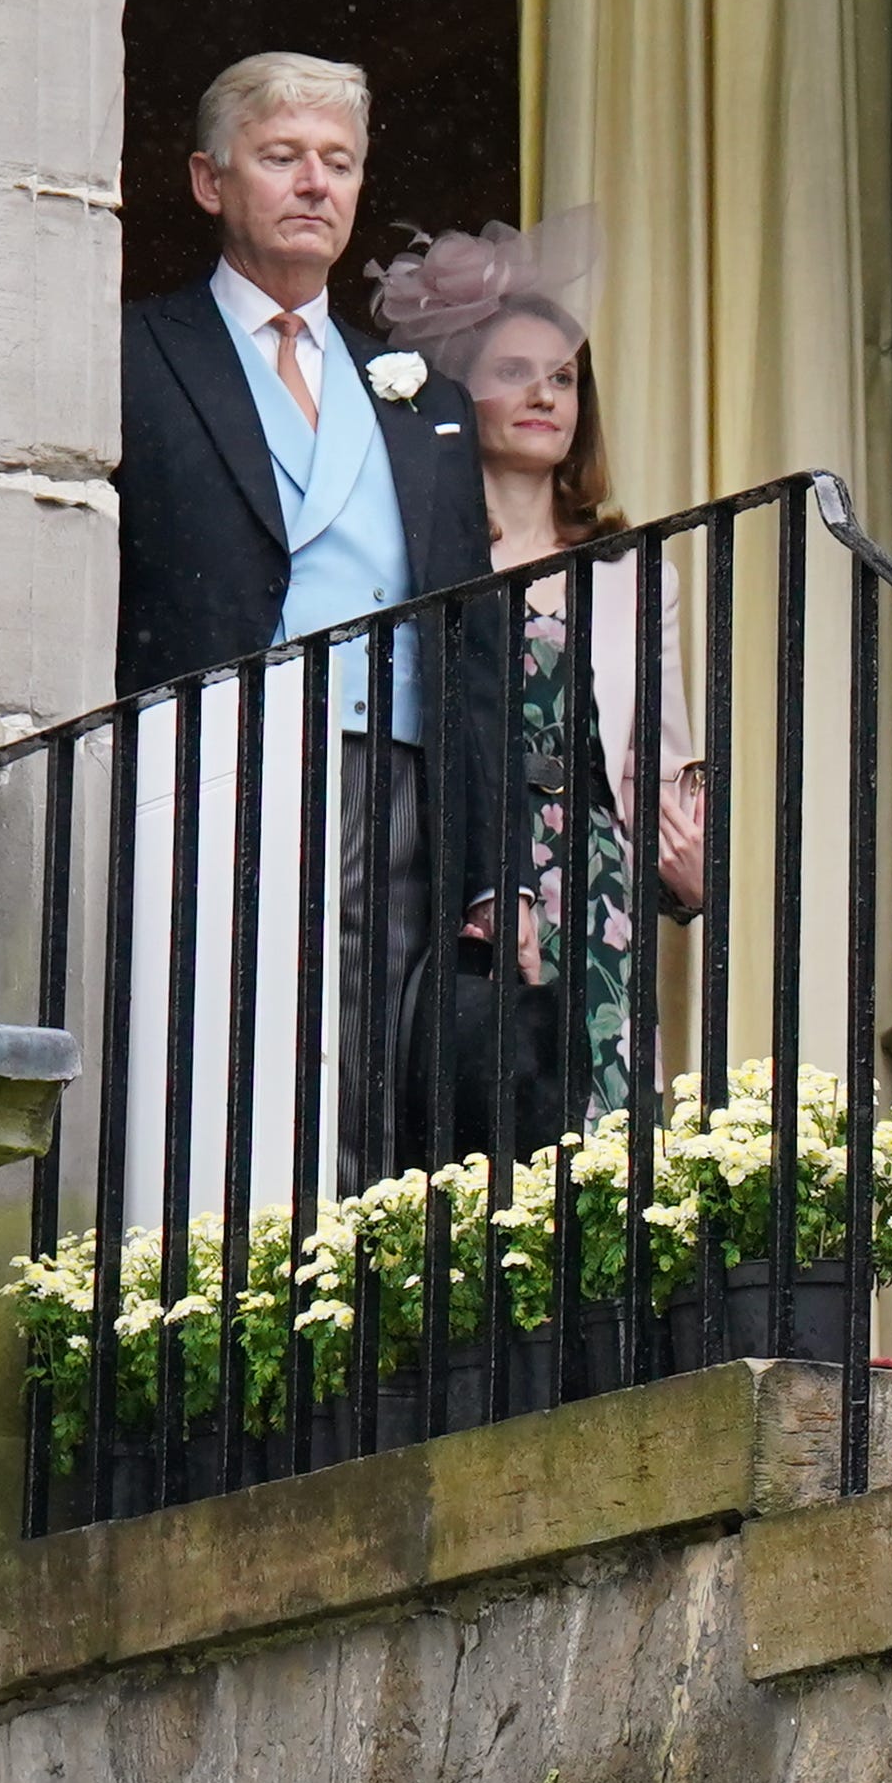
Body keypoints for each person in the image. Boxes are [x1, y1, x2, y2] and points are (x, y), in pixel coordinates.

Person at [112, 49, 504, 1176]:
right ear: (208, 180)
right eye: (281, 157)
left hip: (395, 770)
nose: (315, 184)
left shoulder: (420, 393)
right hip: (215, 755)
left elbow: (470, 640)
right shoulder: (138, 350)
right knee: (223, 1035)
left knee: (372, 1048)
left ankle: (349, 1298)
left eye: (338, 162)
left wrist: (490, 863)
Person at [370, 218, 712, 1161]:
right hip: (453, 851)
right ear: (459, 392)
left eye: (562, 378)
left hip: (594, 882)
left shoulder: (634, 572)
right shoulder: (421, 550)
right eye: (515, 371)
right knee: (462, 1117)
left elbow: (664, 761)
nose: (544, 395)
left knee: (591, 1128)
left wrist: (690, 869)